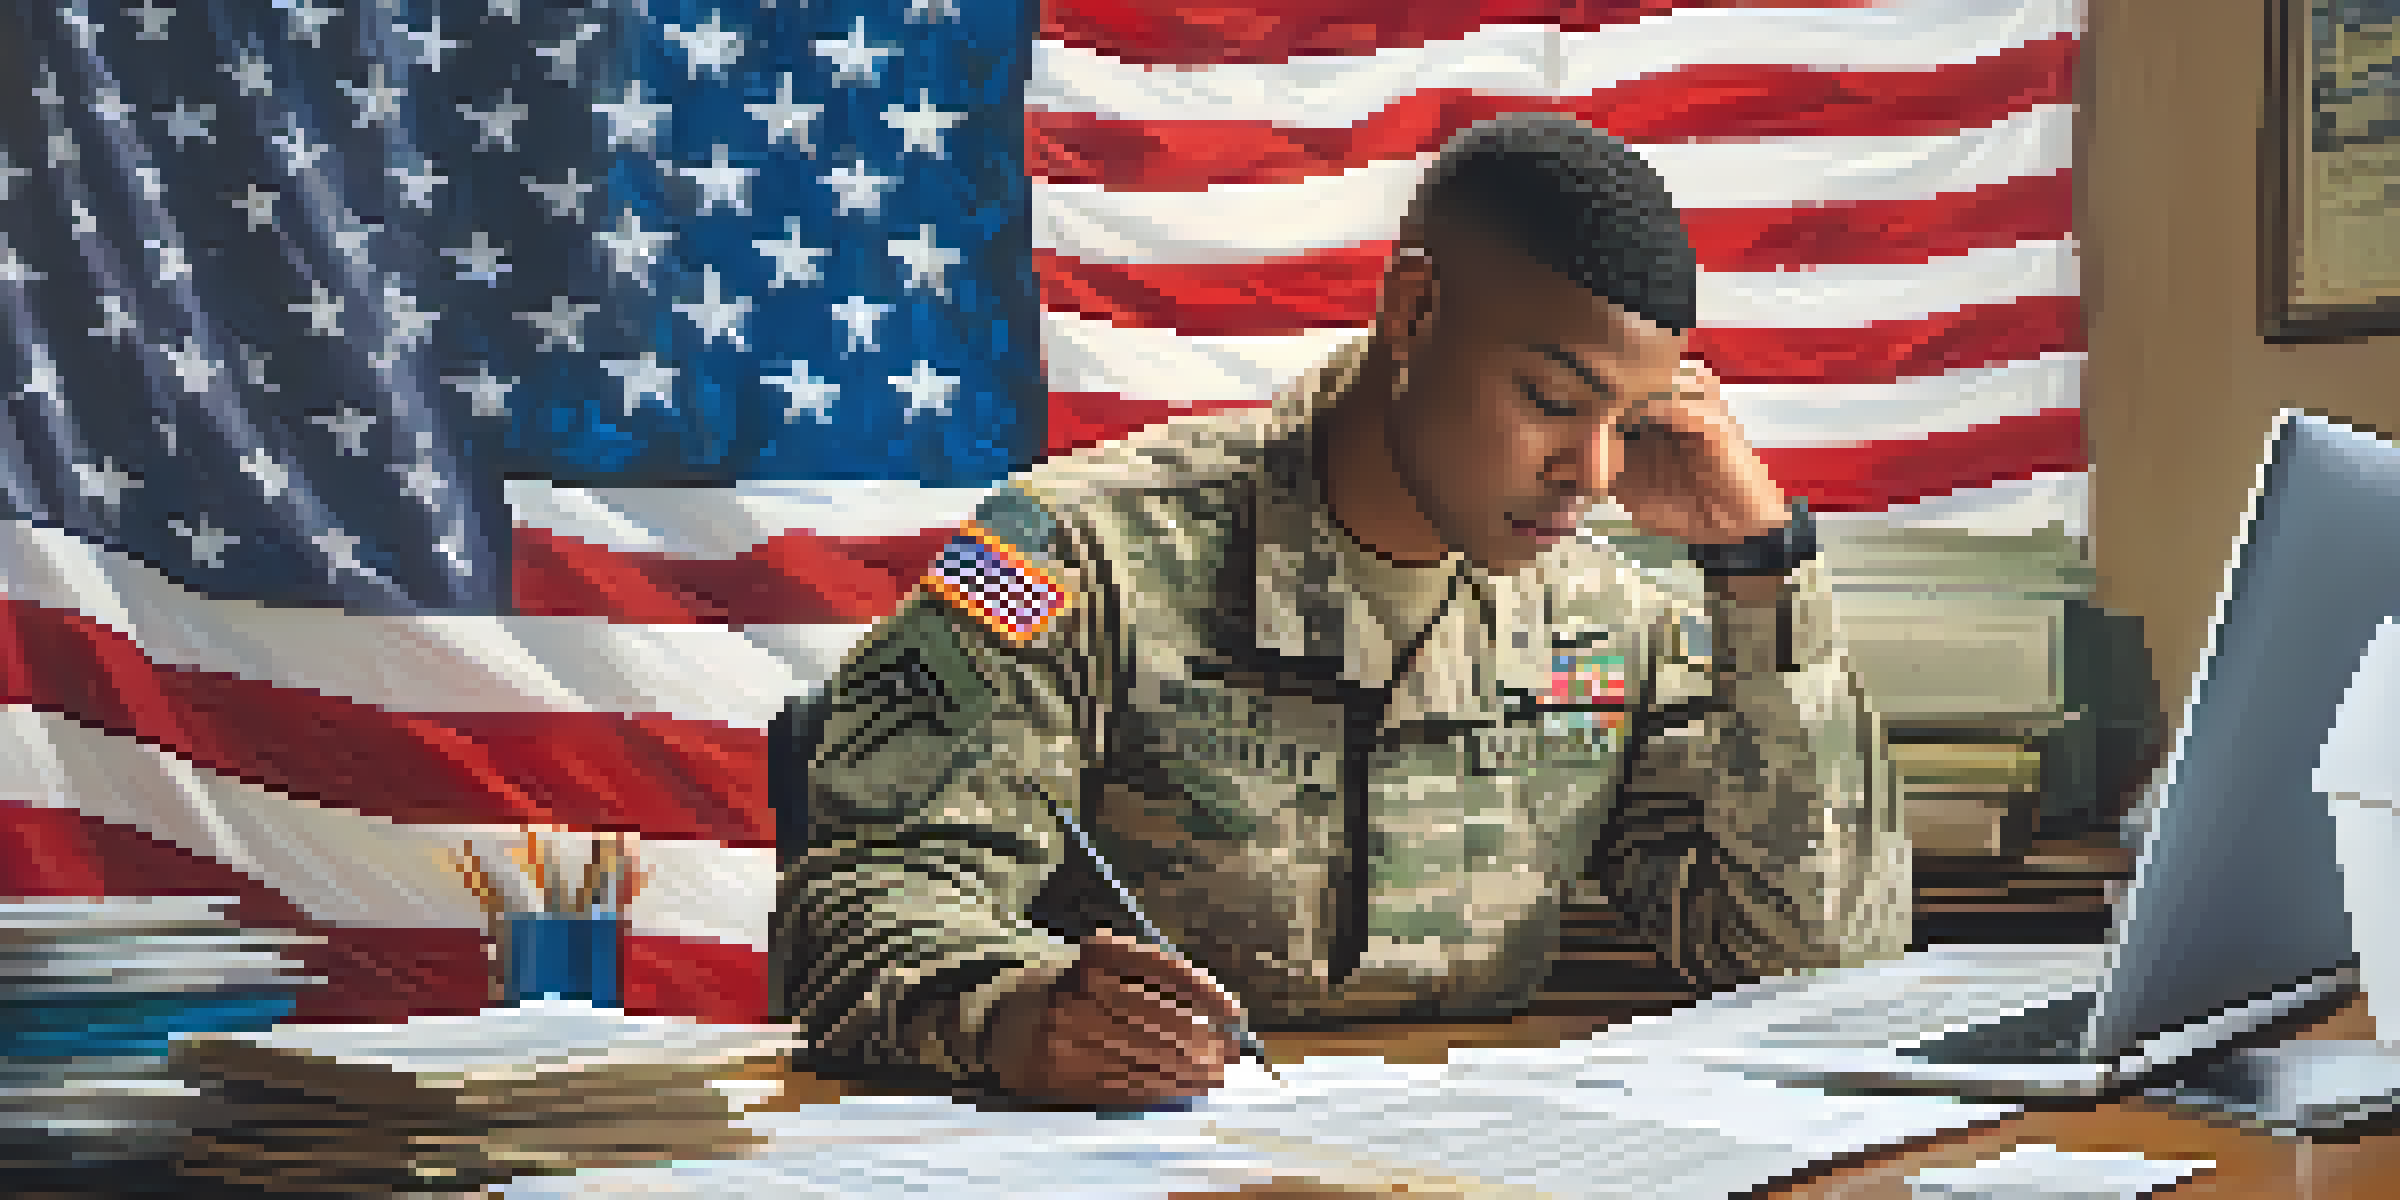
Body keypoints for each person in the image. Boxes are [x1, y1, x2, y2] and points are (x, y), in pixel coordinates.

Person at [770, 113, 1913, 1108]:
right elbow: (864, 888)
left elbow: (1811, 961)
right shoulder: (1088, 555)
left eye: (1632, 418)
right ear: (1414, 311)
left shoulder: (1600, 623)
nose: (1597, 471)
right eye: (1556, 402)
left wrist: (1765, 572)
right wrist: (1013, 1013)